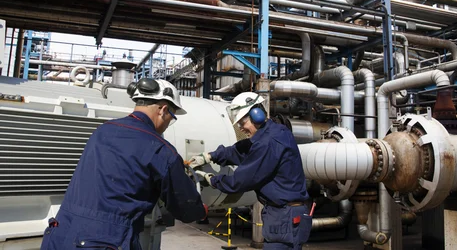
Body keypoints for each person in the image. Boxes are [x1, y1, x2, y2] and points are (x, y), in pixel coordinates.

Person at [41, 78, 208, 250]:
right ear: (163, 110)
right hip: (104, 242)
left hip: (59, 235)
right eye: (171, 117)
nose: (167, 124)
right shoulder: (161, 151)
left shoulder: (102, 131)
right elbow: (185, 209)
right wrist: (201, 210)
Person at [191, 92, 311, 250]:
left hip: (284, 216)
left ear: (257, 115)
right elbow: (240, 150)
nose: (240, 127)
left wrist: (213, 180)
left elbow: (240, 181)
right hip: (285, 214)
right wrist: (211, 156)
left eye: (242, 121)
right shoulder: (273, 133)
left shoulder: (268, 142)